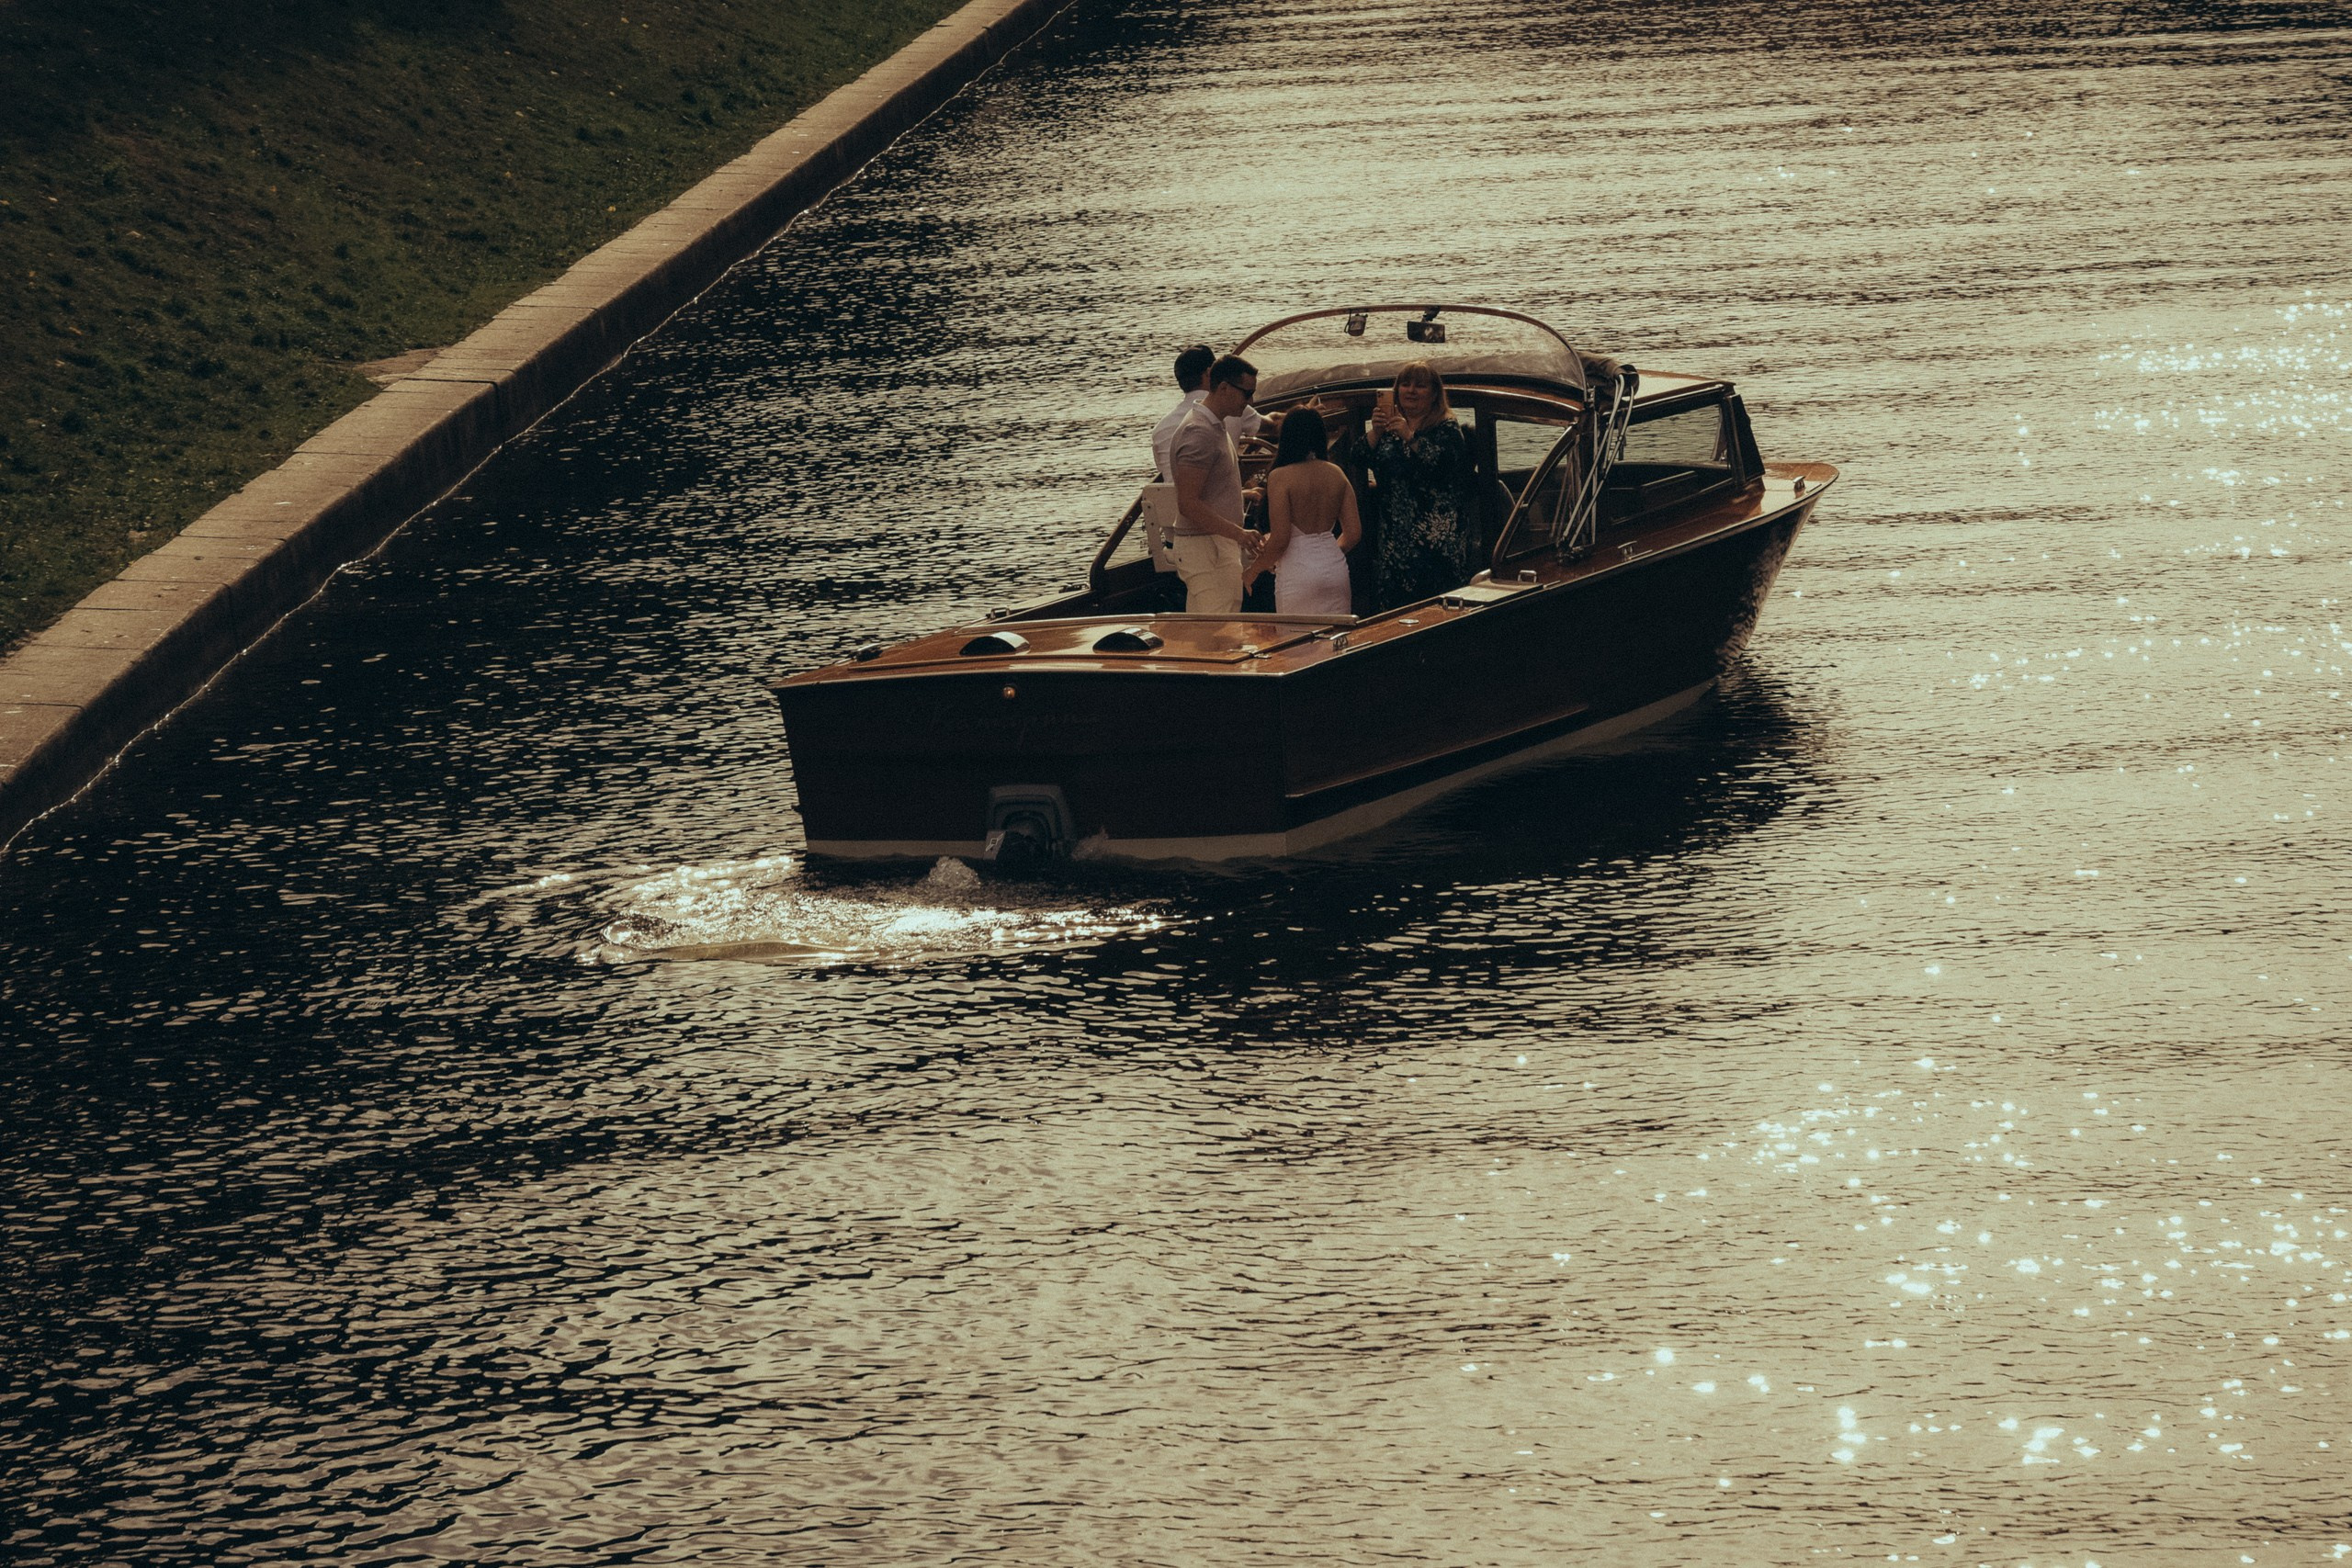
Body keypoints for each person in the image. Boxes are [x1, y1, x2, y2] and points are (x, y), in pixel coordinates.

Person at [1363, 360, 1475, 607]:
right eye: (1405, 384)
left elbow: (1441, 464)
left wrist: (1409, 436)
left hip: (1436, 541)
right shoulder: (1388, 430)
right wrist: (1376, 432)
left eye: (1420, 386)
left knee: (1438, 607)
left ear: (1434, 394)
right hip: (1395, 539)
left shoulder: (1446, 428)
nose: (1411, 391)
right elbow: (1357, 457)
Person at [1166, 355, 1261, 615]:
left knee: (1207, 633)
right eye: (1247, 393)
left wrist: (1240, 495)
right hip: (1207, 550)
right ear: (1224, 388)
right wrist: (1239, 534)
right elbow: (1187, 503)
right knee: (1220, 634)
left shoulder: (1213, 426)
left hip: (1211, 548)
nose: (1250, 401)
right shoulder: (1200, 432)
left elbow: (1202, 492)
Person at [1248, 403, 1360, 616]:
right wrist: (1326, 554)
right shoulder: (1337, 473)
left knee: (1297, 644)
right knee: (1337, 641)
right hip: (1335, 567)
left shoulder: (1280, 476)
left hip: (1297, 571)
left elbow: (1281, 539)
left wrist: (1253, 570)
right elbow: (1353, 533)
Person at [1152, 343, 1264, 481]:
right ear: (1210, 373)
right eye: (1247, 395)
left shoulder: (1160, 428)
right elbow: (1271, 426)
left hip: (1167, 500)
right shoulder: (1230, 407)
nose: (1250, 400)